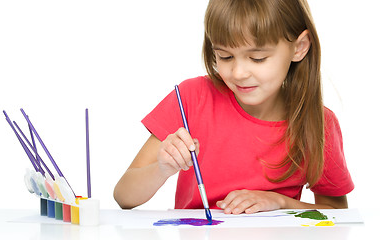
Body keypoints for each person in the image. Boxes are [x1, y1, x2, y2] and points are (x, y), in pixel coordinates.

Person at [114, 0, 354, 214]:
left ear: (299, 47)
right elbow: (124, 197)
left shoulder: (317, 123)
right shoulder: (192, 97)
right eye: (225, 57)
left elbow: (336, 211)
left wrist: (279, 202)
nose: (238, 73)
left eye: (257, 58)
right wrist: (162, 168)